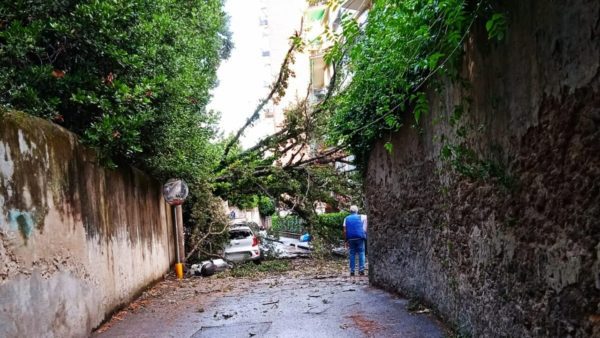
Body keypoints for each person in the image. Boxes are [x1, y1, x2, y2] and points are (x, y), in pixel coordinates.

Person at [343, 205, 367, 276]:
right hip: (360, 237)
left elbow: (344, 230)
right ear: (357, 211)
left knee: (352, 253)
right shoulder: (362, 216)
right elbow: (368, 218)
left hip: (351, 238)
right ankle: (361, 270)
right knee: (361, 253)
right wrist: (364, 231)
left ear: (350, 211)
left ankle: (352, 271)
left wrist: (345, 240)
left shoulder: (346, 218)